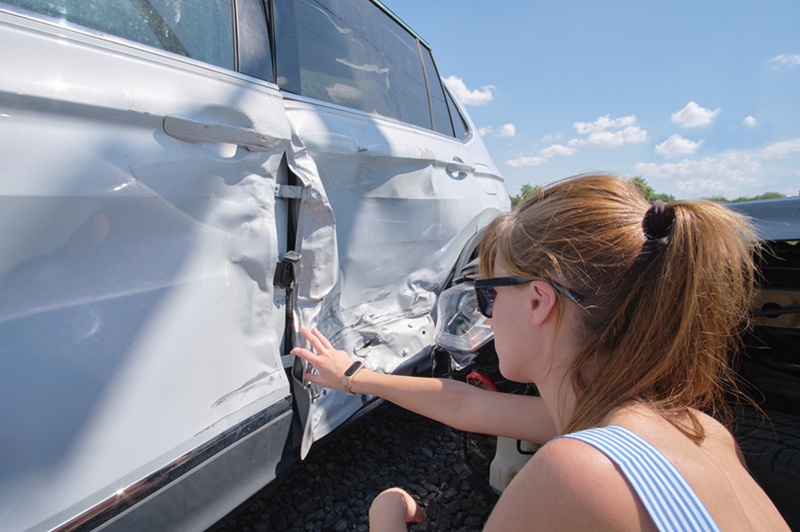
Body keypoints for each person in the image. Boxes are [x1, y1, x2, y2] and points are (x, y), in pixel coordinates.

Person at [292, 174, 789, 531]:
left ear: (537, 300)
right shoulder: (693, 429)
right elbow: (464, 405)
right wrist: (354, 374)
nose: (486, 316)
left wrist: (385, 513)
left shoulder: (577, 472)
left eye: (489, 294)